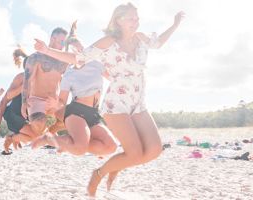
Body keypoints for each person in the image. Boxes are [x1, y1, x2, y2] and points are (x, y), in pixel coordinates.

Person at [34, 2, 184, 196]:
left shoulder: (141, 38)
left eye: (137, 18)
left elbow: (159, 42)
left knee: (154, 150)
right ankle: (98, 174)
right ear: (118, 20)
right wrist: (47, 50)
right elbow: (78, 58)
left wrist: (175, 24)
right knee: (135, 152)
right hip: (116, 104)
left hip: (138, 102)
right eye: (130, 18)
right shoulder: (108, 43)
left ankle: (116, 166)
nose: (135, 22)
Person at [30, 58, 117, 158]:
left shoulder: (96, 64)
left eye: (81, 48)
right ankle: (47, 139)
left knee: (111, 147)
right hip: (77, 111)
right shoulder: (69, 74)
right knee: (79, 149)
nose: (79, 53)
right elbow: (62, 101)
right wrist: (56, 103)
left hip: (94, 113)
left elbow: (114, 78)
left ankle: (68, 144)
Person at [10, 27, 74, 149]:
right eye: (61, 41)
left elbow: (69, 79)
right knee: (39, 125)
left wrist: (59, 102)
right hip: (37, 100)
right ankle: (14, 137)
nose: (63, 45)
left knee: (71, 119)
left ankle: (49, 133)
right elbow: (27, 81)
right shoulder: (35, 58)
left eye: (64, 43)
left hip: (54, 101)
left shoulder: (63, 61)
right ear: (52, 39)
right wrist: (24, 103)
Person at [0, 48, 39, 155]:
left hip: (25, 116)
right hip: (13, 115)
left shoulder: (39, 80)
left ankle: (13, 138)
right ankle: (11, 139)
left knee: (36, 137)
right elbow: (5, 99)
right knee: (36, 138)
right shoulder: (20, 77)